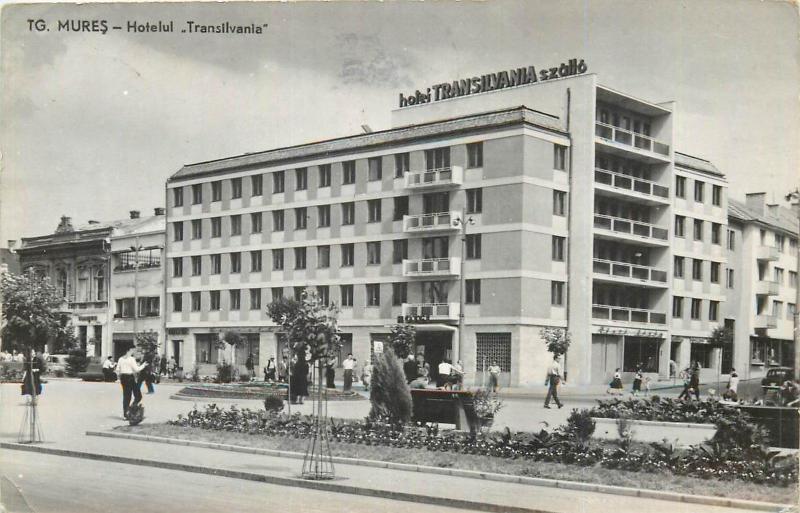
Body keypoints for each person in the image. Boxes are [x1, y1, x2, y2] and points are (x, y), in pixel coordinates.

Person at [118, 347, 148, 419]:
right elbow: (137, 369)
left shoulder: (120, 359)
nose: (134, 351)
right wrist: (144, 365)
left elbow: (117, 369)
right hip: (130, 378)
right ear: (129, 350)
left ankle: (126, 414)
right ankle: (131, 410)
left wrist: (120, 377)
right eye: (133, 350)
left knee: (126, 396)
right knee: (138, 396)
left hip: (123, 378)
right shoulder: (131, 359)